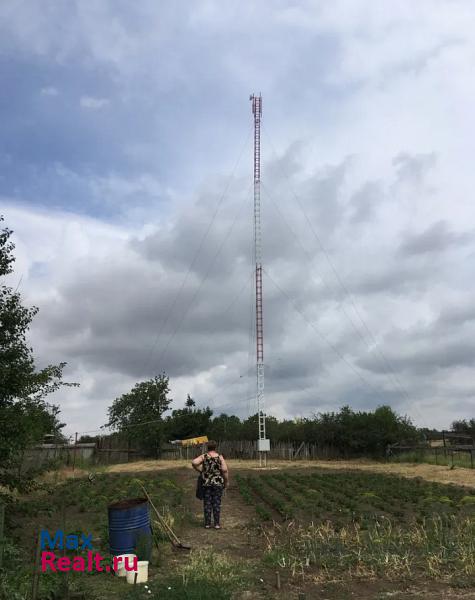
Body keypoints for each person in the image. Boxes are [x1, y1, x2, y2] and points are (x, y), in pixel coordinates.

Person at [191, 440, 229, 529]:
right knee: (216, 503)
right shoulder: (220, 457)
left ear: (207, 447)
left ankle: (207, 524)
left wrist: (200, 471)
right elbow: (224, 470)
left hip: (206, 483)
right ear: (215, 447)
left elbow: (194, 463)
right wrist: (226, 482)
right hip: (218, 483)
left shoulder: (204, 456)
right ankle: (216, 524)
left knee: (207, 503)